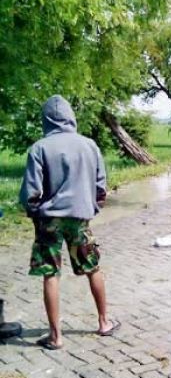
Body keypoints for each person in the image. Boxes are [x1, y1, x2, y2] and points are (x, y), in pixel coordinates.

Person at [19, 95, 119, 350]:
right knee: (92, 268)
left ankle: (55, 337)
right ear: (71, 116)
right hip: (79, 219)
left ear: (46, 119)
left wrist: (35, 214)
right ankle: (104, 322)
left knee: (50, 274)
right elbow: (100, 188)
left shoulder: (39, 148)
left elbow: (30, 193)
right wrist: (91, 209)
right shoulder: (89, 146)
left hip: (49, 221)